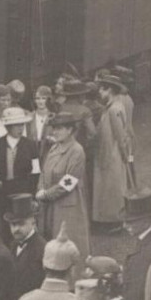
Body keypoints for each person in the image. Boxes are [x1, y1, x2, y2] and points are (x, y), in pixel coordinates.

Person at [35, 112, 89, 264]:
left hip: (67, 206)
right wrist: (40, 189)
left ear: (70, 130)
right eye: (54, 128)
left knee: (67, 241)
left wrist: (46, 194)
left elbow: (69, 182)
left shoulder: (77, 151)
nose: (54, 132)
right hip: (49, 204)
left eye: (59, 128)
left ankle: (72, 279)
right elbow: (44, 172)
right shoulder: (54, 148)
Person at [91, 73, 134, 232]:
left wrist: (125, 156)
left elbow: (120, 135)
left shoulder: (113, 109)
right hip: (109, 153)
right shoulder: (113, 106)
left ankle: (114, 221)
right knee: (111, 188)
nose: (100, 93)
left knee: (113, 188)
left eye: (102, 90)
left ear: (109, 90)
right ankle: (112, 220)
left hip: (112, 154)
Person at [0, 105, 40, 207]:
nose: (20, 128)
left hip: (24, 192)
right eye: (16, 125)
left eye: (22, 125)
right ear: (7, 127)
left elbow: (35, 173)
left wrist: (32, 195)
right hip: (2, 192)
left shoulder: (30, 145)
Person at [5, 194, 46, 300]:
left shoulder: (42, 248)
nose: (16, 229)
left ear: (33, 222)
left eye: (21, 224)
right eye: (13, 225)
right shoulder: (13, 244)